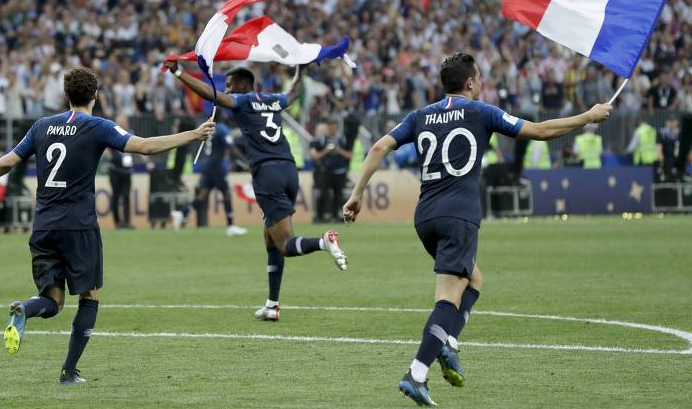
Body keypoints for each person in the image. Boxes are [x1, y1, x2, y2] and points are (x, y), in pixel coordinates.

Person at [342, 52, 611, 407]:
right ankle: (417, 373)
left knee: (475, 279)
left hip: (425, 217)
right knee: (447, 297)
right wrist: (588, 117)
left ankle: (449, 344)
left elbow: (379, 146)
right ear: (470, 82)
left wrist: (358, 193)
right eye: (479, 77)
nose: (481, 82)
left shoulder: (420, 116)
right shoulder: (480, 111)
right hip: (459, 216)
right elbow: (541, 131)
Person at [0, 67, 215, 385]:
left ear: (66, 96)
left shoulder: (41, 126)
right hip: (79, 225)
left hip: (44, 225)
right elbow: (144, 146)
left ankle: (26, 308)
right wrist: (193, 134)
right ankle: (67, 372)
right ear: (95, 95)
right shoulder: (97, 126)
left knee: (52, 300)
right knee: (89, 296)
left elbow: (9, 159)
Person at [166, 59, 347, 322]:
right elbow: (295, 93)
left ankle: (323, 242)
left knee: (285, 243)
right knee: (270, 238)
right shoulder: (274, 99)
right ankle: (272, 305)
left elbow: (211, 95)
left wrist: (179, 72)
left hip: (267, 174)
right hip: (289, 171)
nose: (226, 90)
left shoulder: (244, 100)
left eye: (229, 85)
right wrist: (301, 70)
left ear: (242, 84)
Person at [193, 117, 248, 237]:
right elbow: (231, 147)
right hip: (217, 167)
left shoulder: (211, 129)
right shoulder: (222, 129)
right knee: (226, 194)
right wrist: (245, 162)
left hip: (207, 166)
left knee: (203, 196)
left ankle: (181, 213)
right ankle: (231, 226)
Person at [310, 118, 352, 222]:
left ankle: (337, 217)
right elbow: (315, 156)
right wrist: (326, 151)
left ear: (337, 128)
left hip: (340, 172)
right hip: (326, 172)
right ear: (328, 128)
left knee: (339, 195)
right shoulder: (321, 141)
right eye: (330, 126)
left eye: (334, 126)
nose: (332, 129)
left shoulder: (342, 140)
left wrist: (338, 150)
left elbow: (349, 155)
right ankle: (320, 216)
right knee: (323, 194)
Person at [107, 115, 135, 229]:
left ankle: (127, 222)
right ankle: (117, 222)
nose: (123, 124)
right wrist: (110, 157)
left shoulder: (131, 132)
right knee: (116, 196)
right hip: (115, 169)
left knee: (126, 196)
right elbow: (106, 148)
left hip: (127, 170)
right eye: (120, 122)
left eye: (124, 122)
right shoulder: (113, 132)